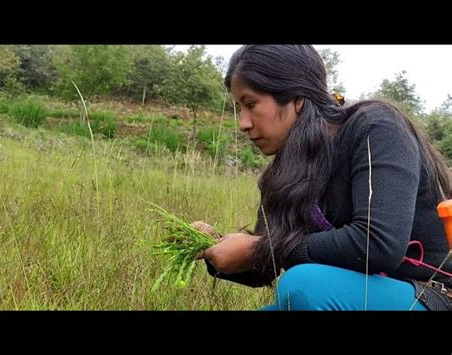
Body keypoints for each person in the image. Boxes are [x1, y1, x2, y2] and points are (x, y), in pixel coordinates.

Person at [193, 45, 452, 311]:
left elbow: (377, 246)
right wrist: (212, 247)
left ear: (297, 98)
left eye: (250, 104)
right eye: (239, 108)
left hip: (432, 295)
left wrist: (259, 248)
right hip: (353, 294)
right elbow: (266, 266)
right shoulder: (287, 170)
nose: (243, 123)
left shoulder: (376, 129)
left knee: (302, 285)